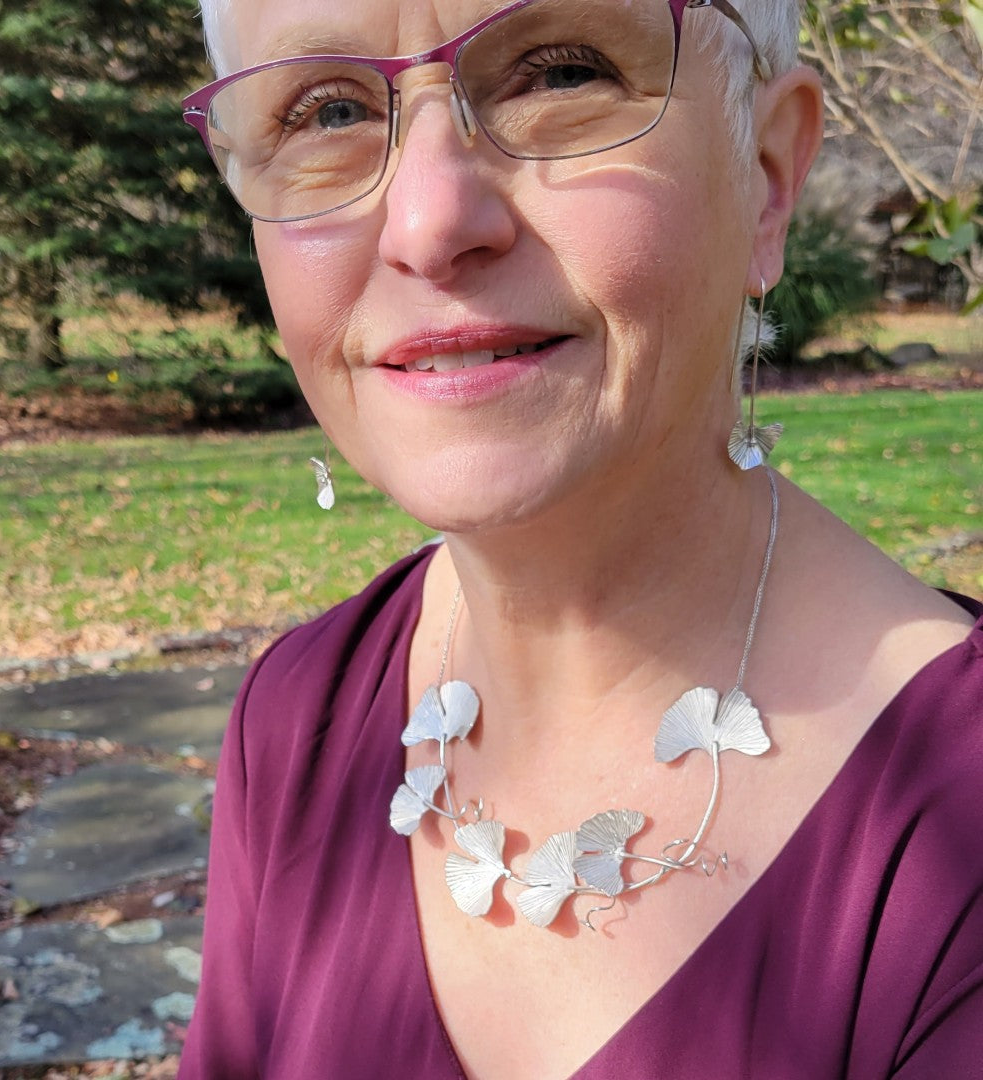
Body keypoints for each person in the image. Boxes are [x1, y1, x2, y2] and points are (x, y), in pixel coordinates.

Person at [177, 1, 983, 1076]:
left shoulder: (955, 831)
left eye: (559, 74)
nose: (428, 222)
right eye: (325, 111)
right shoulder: (296, 716)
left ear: (767, 176)